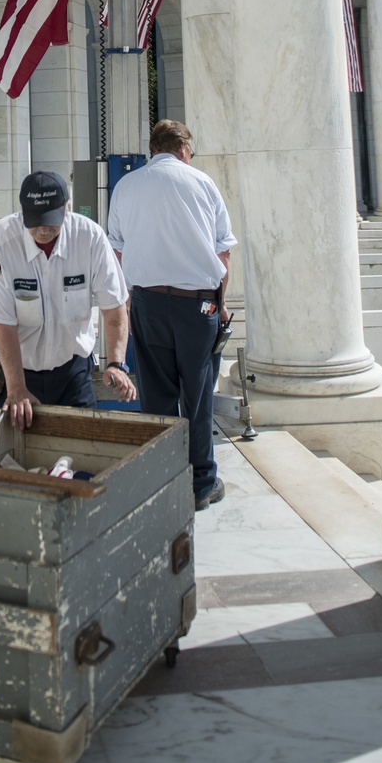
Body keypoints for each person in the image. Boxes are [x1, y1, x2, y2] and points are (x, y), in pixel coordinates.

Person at [107, 120, 236, 509]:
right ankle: (201, 483)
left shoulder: (126, 186)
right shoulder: (202, 184)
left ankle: (162, 480)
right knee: (197, 395)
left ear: (154, 149)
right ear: (183, 148)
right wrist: (222, 304)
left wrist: (130, 297)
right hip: (198, 304)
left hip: (146, 301)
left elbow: (117, 251)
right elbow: (223, 255)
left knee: (156, 395)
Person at [0, 170, 136, 427]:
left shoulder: (90, 238)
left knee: (82, 448)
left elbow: (114, 306)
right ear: (22, 212)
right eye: (35, 222)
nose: (43, 230)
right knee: (8, 460)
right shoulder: (1, 241)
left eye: (51, 221)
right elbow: (2, 322)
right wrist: (16, 389)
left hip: (69, 369)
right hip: (7, 370)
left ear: (67, 209)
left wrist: (116, 363)